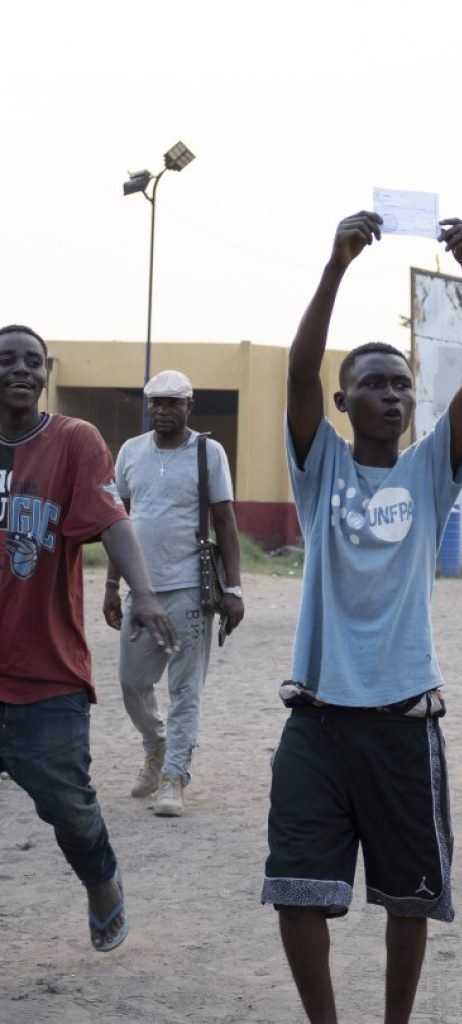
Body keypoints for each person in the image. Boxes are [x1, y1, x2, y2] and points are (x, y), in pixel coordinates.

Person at [262, 211, 462, 1024]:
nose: (390, 395)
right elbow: (294, 377)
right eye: (372, 383)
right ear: (343, 400)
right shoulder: (319, 466)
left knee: (409, 899)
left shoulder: (432, 472)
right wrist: (335, 264)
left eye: (400, 384)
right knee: (296, 889)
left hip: (402, 720)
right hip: (318, 720)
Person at [0, 324, 177, 952]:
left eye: (30, 360)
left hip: (44, 674)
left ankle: (101, 879)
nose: (19, 369)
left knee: (70, 811)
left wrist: (146, 594)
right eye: (6, 360)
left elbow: (112, 521)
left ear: (45, 371)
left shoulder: (74, 441)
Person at [103, 370, 244, 817]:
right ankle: (156, 747)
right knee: (132, 682)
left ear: (189, 406)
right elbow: (116, 522)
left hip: (190, 588)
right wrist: (111, 584)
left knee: (185, 689)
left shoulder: (209, 452)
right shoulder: (130, 452)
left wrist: (234, 589)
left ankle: (174, 777)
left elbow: (225, 521)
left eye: (171, 402)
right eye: (155, 402)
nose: (162, 410)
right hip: (139, 591)